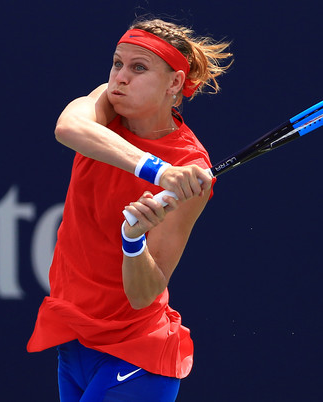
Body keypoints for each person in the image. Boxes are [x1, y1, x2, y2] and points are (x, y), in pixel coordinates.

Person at [27, 17, 232, 401]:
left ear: (174, 83)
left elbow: (145, 293)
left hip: (135, 356)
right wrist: (158, 170)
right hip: (76, 342)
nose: (120, 77)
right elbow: (67, 127)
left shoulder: (191, 169)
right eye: (118, 63)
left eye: (139, 68)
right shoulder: (105, 105)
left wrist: (133, 239)